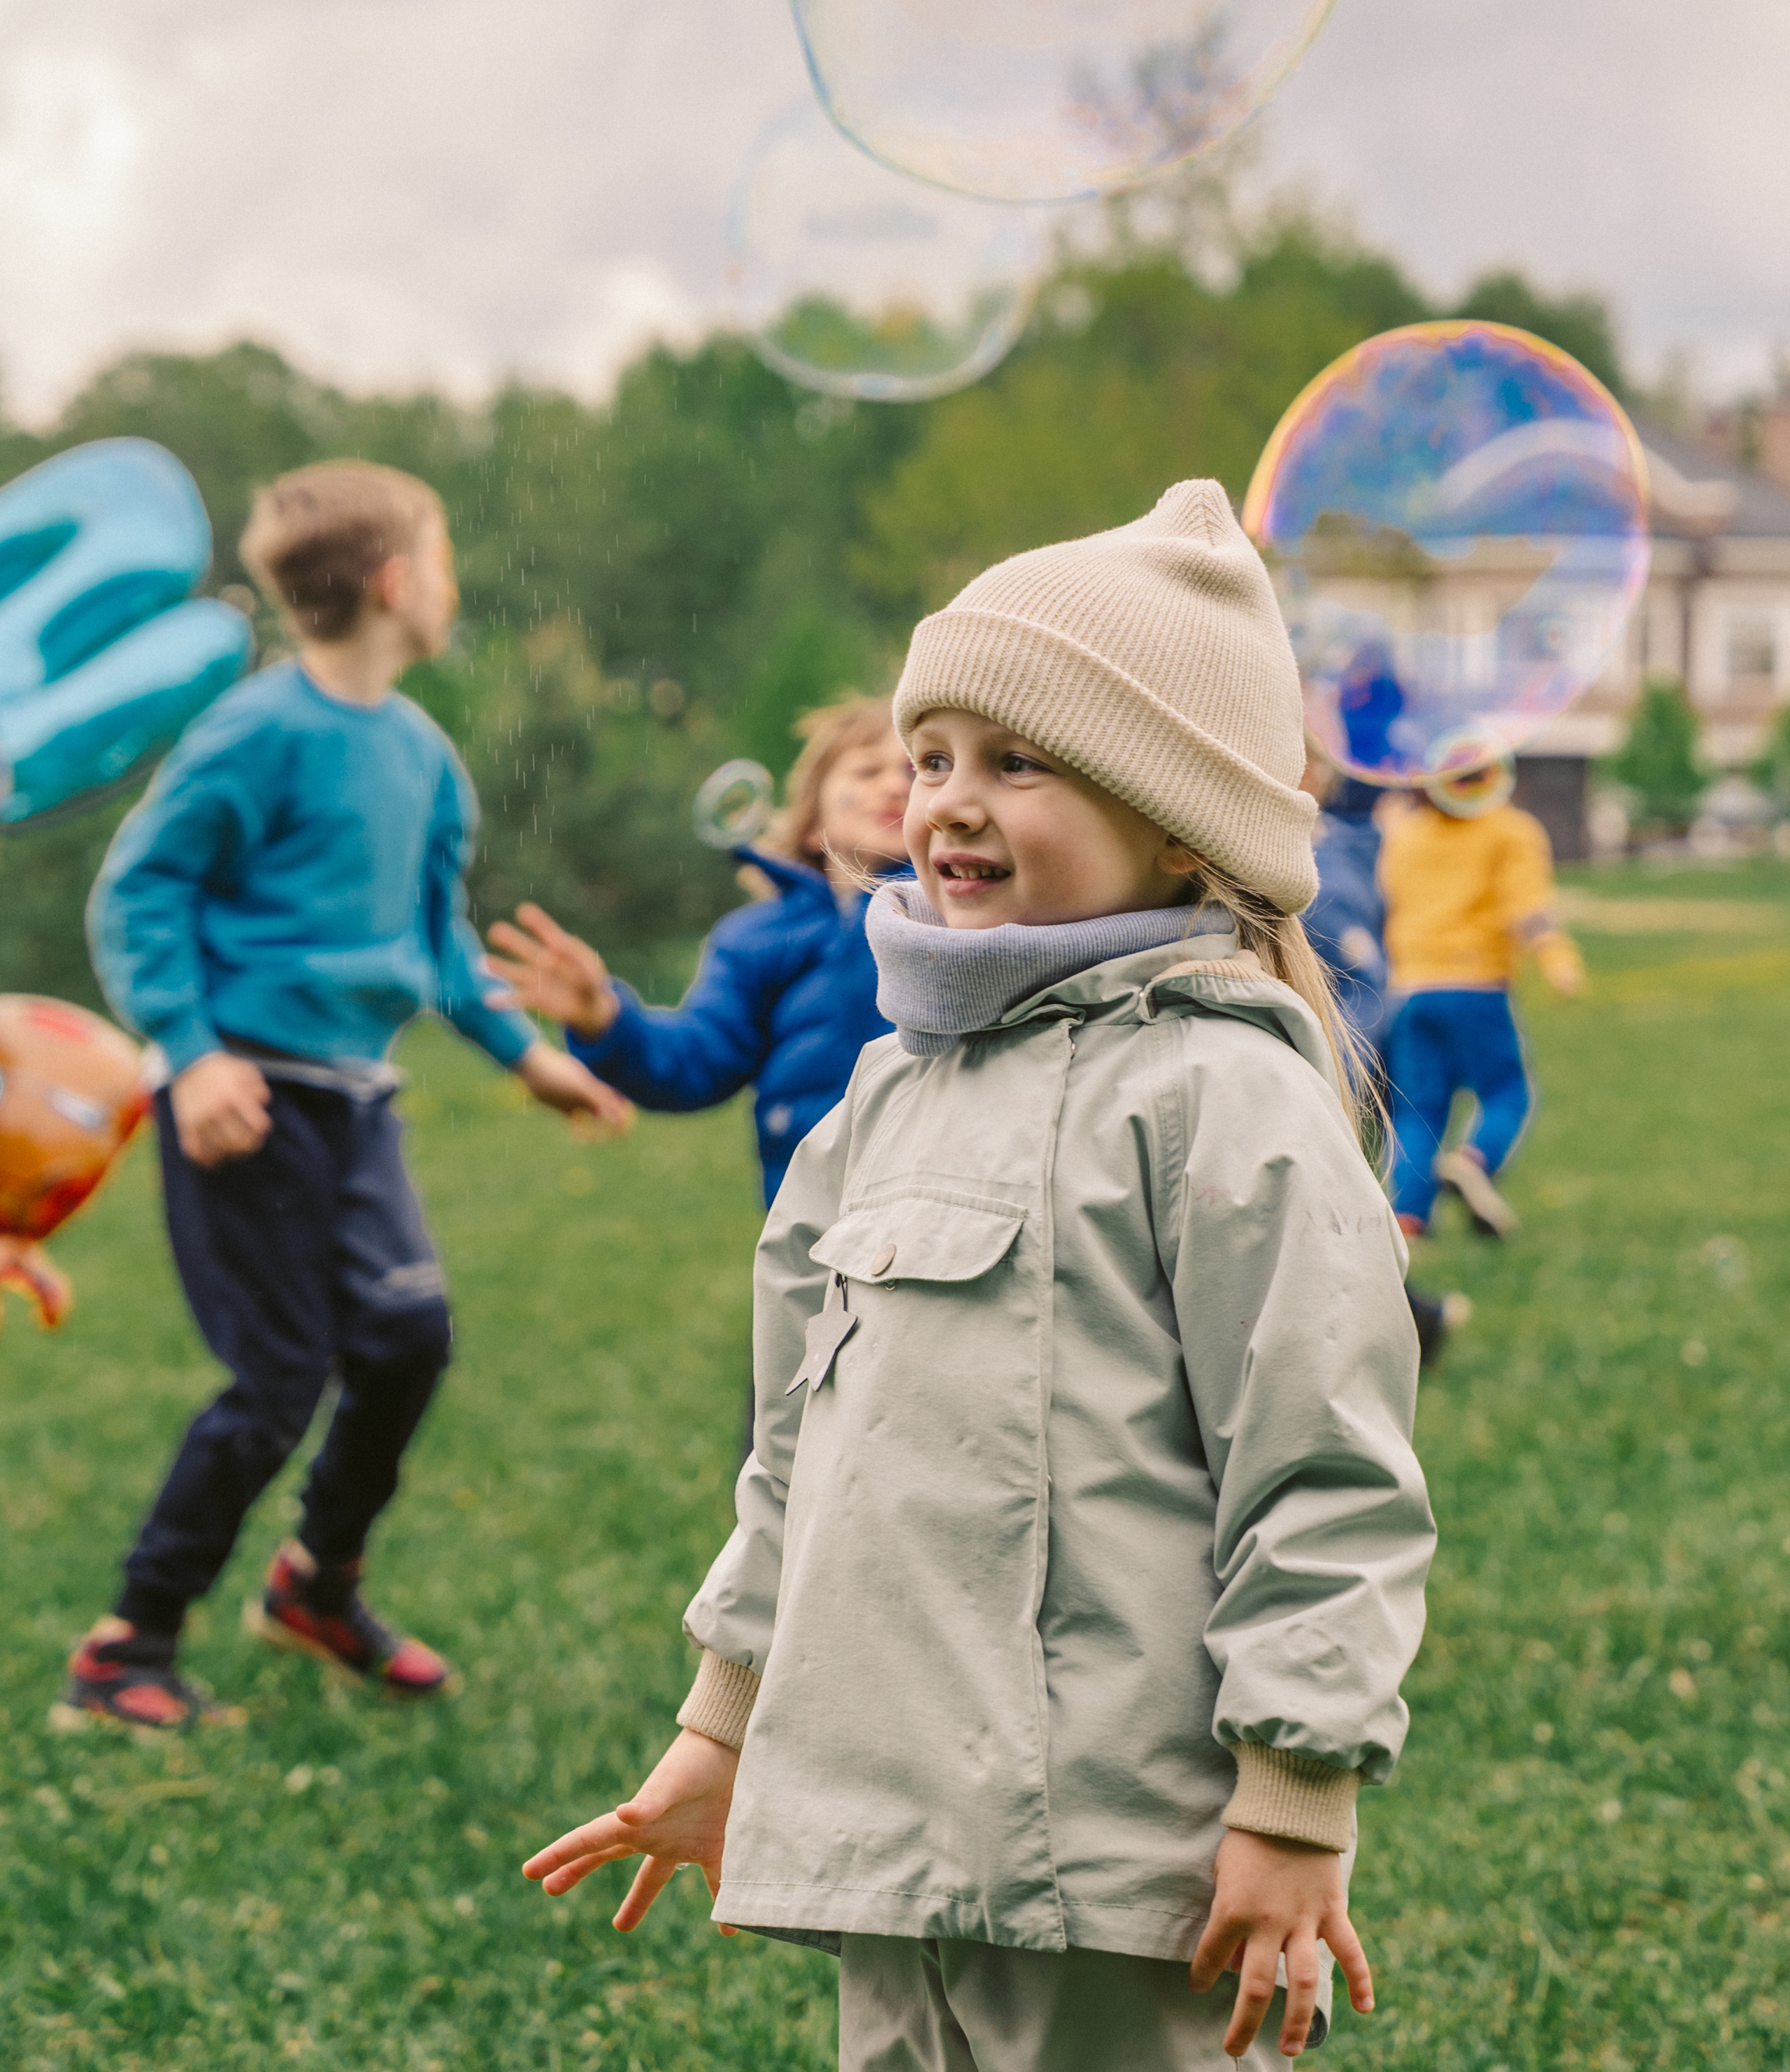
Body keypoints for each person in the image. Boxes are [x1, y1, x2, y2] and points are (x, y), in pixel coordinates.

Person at [523, 483, 1435, 2071]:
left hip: (1116, 1864)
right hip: (890, 1837)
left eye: (1016, 760)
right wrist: (717, 1722)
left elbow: (1319, 1470)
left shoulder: (1218, 1091)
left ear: (1173, 812)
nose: (946, 798)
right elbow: (797, 1459)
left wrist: (1293, 1793)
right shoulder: (888, 1088)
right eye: (931, 755)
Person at [59, 461, 627, 1733]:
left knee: (407, 1339)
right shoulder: (257, 731)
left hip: (354, 1103)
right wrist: (194, 1052)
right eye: (441, 556)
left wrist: (529, 1057)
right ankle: (126, 1645)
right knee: (278, 1379)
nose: (450, 583)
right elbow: (140, 892)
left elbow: (437, 943)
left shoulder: (423, 759)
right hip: (242, 1099)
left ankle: (318, 1583)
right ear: (394, 583)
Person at [484, 698, 912, 1209]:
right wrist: (605, 1018)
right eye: (867, 771)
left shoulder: (952, 916)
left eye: (920, 771)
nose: (895, 785)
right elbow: (696, 1060)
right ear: (809, 822)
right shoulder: (756, 937)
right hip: (812, 1214)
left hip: (934, 1192)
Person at [1299, 751, 1467, 1369]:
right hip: (1330, 1059)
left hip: (1360, 1053)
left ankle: (1404, 1320)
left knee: (1341, 1209)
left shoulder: (1342, 845)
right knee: (1325, 1212)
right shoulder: (1294, 865)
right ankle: (1410, 1319)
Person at [1378, 757, 1584, 1242]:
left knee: (1418, 1110)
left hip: (1410, 989)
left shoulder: (1407, 834)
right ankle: (1474, 1162)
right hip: (1476, 985)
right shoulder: (1510, 830)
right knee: (1506, 1091)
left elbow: (1387, 896)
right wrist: (1557, 959)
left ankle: (1409, 1220)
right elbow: (1527, 906)